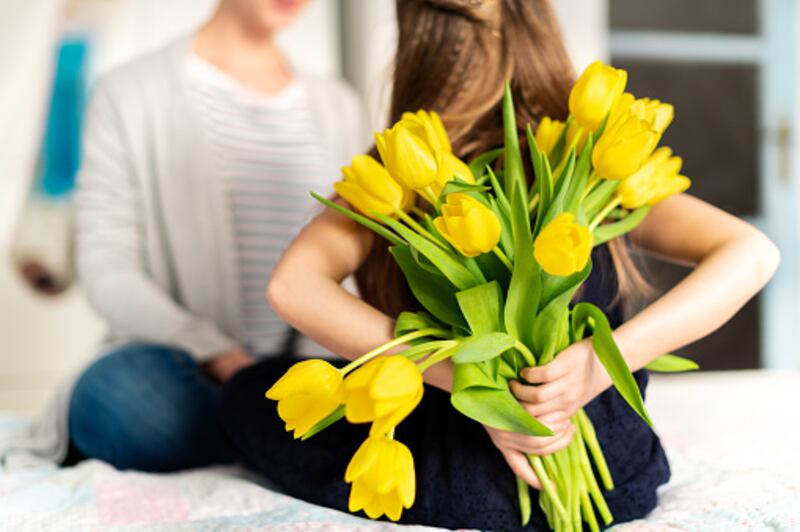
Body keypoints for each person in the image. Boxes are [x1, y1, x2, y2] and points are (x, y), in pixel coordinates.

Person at [222, 0, 779, 529]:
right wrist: (604, 364)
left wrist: (473, 389)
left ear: (416, 42)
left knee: (252, 393)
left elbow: (292, 287)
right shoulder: (588, 161)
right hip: (618, 473)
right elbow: (753, 252)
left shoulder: (403, 172)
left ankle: (226, 371)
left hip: (467, 472)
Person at [61, 0, 366, 472]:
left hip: (301, 372)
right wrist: (218, 354)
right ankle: (284, 447)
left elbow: (350, 264)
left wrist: (313, 375)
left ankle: (275, 439)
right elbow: (106, 267)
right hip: (189, 369)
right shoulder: (127, 92)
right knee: (119, 398)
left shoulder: (340, 105)